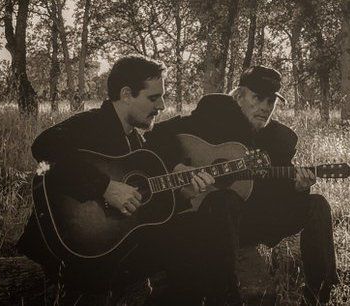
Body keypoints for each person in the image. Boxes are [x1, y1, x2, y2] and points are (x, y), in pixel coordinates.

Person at [17, 55, 218, 304]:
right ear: (126, 94)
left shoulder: (137, 144)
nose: (163, 106)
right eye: (154, 97)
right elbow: (43, 146)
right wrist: (105, 187)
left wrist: (186, 194)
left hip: (113, 249)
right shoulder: (91, 124)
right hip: (68, 247)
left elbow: (145, 213)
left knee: (196, 242)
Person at [145, 66, 339, 305]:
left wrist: (298, 189)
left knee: (316, 205)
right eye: (258, 98)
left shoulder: (279, 139)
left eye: (271, 101)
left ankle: (320, 294)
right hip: (208, 221)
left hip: (252, 220)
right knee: (224, 200)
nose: (265, 108)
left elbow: (276, 194)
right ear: (238, 97)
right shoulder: (210, 118)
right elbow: (155, 137)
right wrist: (177, 167)